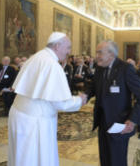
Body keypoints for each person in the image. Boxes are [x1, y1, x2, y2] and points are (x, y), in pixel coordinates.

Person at [8, 32, 86, 166]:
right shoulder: (52, 65)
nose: (69, 52)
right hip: (35, 122)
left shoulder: (36, 57)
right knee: (33, 159)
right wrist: (79, 100)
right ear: (57, 45)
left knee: (20, 157)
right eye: (68, 48)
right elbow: (61, 103)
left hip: (19, 115)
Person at [80, 39, 140, 166]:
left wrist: (132, 120)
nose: (96, 56)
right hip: (102, 121)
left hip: (119, 123)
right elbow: (94, 87)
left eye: (99, 53)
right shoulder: (99, 68)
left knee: (117, 161)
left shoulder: (125, 68)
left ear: (111, 54)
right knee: (104, 158)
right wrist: (86, 95)